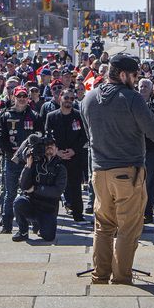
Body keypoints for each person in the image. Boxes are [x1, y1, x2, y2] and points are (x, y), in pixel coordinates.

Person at [81, 53, 154, 285]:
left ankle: (100, 274)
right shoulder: (132, 98)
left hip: (99, 172)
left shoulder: (88, 98)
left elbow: (88, 133)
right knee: (128, 227)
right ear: (122, 75)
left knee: (103, 226)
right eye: (134, 75)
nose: (136, 79)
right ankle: (122, 276)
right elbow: (152, 130)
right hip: (127, 172)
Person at [0, 84, 40, 234]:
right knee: (10, 193)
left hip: (30, 161)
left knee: (31, 192)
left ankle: (35, 223)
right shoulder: (6, 115)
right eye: (19, 96)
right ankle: (7, 224)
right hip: (11, 160)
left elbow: (40, 137)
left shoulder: (35, 116)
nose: (22, 99)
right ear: (13, 97)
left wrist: (32, 153)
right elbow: (0, 137)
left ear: (28, 98)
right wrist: (10, 152)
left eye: (24, 96)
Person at [12, 133, 67, 242]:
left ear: (57, 149)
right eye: (47, 146)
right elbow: (23, 185)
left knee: (49, 236)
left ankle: (39, 225)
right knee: (19, 202)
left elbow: (57, 191)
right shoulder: (35, 163)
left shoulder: (60, 168)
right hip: (32, 202)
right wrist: (28, 166)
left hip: (48, 208)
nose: (49, 148)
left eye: (52, 146)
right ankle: (23, 231)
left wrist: (36, 189)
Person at [44, 87, 88, 223]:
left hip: (74, 156)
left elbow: (85, 135)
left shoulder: (79, 115)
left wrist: (74, 150)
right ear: (60, 98)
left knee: (75, 188)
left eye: (72, 98)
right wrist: (56, 151)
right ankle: (50, 216)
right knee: (53, 188)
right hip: (57, 157)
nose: (69, 101)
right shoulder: (51, 116)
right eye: (66, 98)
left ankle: (78, 215)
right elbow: (47, 136)